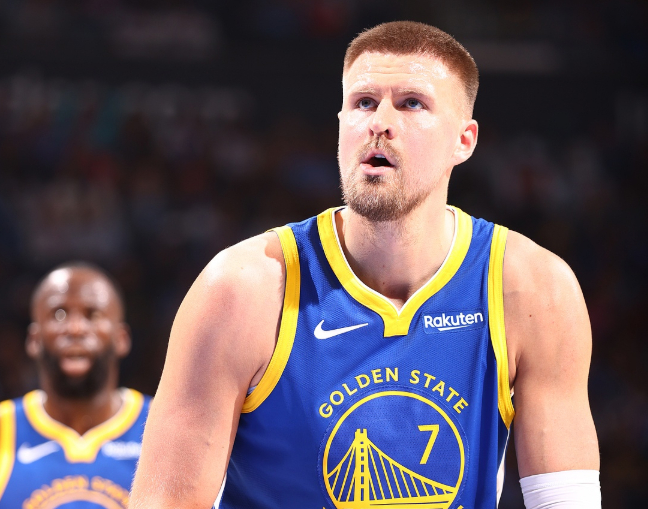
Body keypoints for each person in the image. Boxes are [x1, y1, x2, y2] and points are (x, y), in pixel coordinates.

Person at [130, 21, 601, 509]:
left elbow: (567, 501)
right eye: (364, 102)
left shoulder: (533, 289)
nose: (380, 122)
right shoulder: (241, 289)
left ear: (464, 141)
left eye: (411, 103)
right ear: (340, 126)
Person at [0, 262, 151, 509]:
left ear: (121, 339)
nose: (75, 328)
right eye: (59, 314)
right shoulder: (4, 428)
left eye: (93, 315)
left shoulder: (159, 428)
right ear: (34, 339)